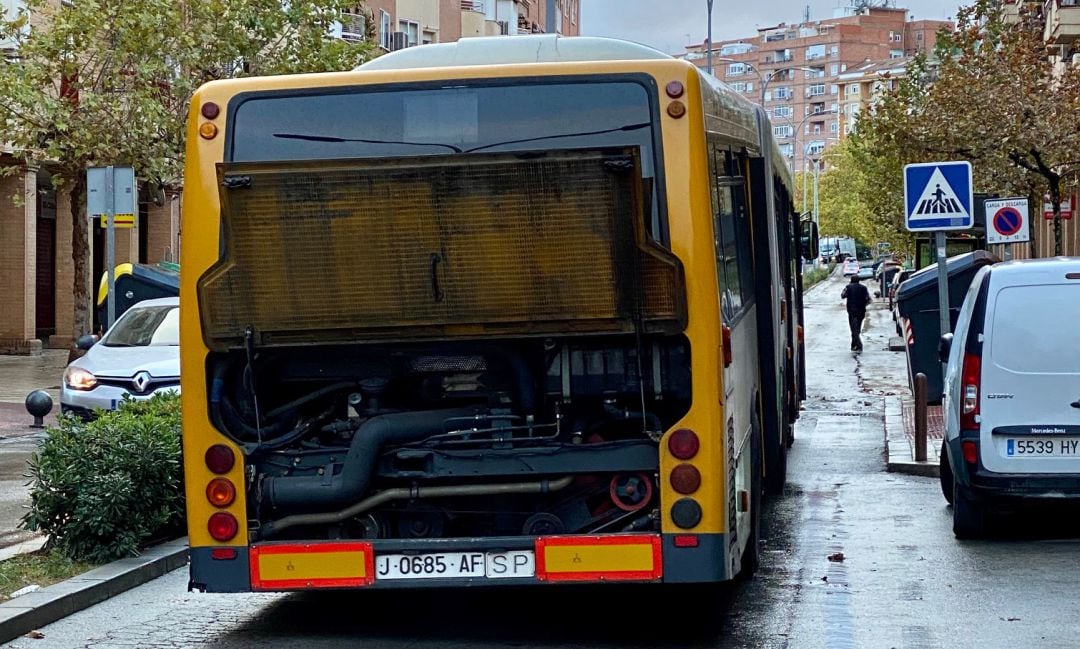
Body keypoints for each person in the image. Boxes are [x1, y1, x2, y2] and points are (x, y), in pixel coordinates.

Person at [841, 275, 872, 352]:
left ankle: (858, 345)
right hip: (861, 310)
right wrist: (864, 305)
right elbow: (868, 299)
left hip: (851, 311)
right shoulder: (863, 288)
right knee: (857, 328)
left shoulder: (848, 287)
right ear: (859, 280)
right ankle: (854, 345)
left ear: (851, 280)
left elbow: (842, 295)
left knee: (853, 329)